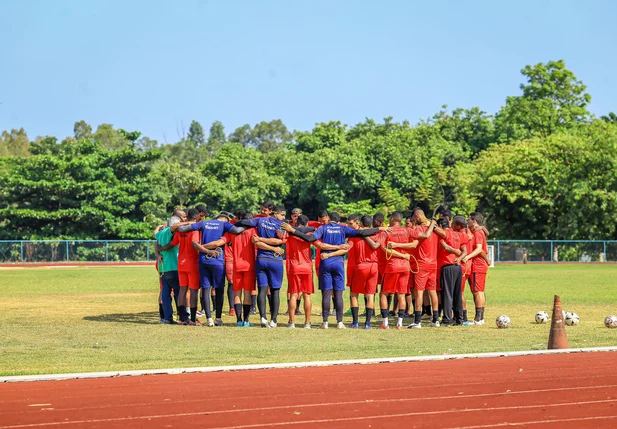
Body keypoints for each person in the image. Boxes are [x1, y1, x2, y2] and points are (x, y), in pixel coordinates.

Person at [283, 212, 387, 329]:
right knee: (338, 294)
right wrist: (379, 228)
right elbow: (361, 232)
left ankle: (325, 322)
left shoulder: (322, 228)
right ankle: (340, 322)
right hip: (339, 263)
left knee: (326, 293)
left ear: (329, 219)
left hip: (325, 262)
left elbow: (310, 238)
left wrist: (293, 230)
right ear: (338, 221)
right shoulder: (343, 229)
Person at [175, 213, 245, 326]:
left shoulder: (203, 223)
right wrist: (248, 224)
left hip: (203, 261)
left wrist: (181, 225)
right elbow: (237, 230)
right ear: (225, 220)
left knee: (205, 289)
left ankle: (209, 319)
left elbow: (183, 229)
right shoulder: (224, 224)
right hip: (218, 261)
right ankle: (218, 318)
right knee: (219, 290)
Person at [234, 206, 288, 328]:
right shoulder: (282, 225)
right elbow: (278, 242)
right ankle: (273, 320)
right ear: (275, 214)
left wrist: (236, 222)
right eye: (282, 214)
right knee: (275, 291)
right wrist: (273, 246)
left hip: (261, 260)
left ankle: (263, 318)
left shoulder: (259, 221)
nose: (283, 217)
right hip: (275, 259)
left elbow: (254, 237)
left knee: (262, 290)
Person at [157, 208, 207, 325]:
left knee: (180, 291)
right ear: (197, 216)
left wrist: (160, 250)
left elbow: (171, 243)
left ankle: (179, 318)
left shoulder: (178, 231)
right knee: (193, 290)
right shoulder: (194, 229)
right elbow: (195, 244)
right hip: (190, 263)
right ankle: (193, 319)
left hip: (178, 264)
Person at [280, 214, 316, 328]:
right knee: (307, 295)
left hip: (294, 266)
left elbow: (281, 237)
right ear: (307, 223)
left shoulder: (290, 232)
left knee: (294, 295)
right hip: (307, 267)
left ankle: (291, 322)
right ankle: (307, 323)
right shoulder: (309, 233)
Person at [347, 215, 382, 329]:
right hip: (374, 266)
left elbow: (348, 247)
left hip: (361, 266)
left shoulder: (355, 235)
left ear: (360, 223)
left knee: (354, 294)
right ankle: (367, 323)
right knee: (370, 295)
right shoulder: (377, 233)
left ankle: (355, 322)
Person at [381, 212, 414, 329]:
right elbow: (415, 244)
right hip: (405, 266)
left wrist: (398, 252)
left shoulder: (387, 231)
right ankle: (399, 323)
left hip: (392, 265)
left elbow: (383, 248)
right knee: (401, 294)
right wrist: (405, 256)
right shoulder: (408, 230)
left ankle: (385, 323)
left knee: (384, 293)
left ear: (393, 218)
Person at [436, 216, 468, 326]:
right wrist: (459, 258)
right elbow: (465, 251)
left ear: (457, 225)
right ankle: (459, 319)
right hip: (457, 267)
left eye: (453, 222)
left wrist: (431, 224)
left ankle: (447, 319)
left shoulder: (446, 233)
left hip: (447, 266)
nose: (451, 223)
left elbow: (445, 247)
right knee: (457, 294)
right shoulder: (461, 235)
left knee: (447, 294)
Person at [154, 214, 184, 324]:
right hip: (172, 266)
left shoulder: (160, 233)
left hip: (163, 267)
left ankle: (167, 318)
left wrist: (158, 254)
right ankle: (182, 316)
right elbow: (174, 227)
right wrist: (191, 223)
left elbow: (156, 243)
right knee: (178, 292)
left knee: (165, 293)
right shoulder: (168, 232)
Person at [462, 212, 490, 325]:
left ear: (474, 221)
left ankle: (478, 319)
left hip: (477, 265)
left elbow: (479, 249)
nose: (467, 221)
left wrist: (467, 256)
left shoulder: (478, 232)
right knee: (479, 291)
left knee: (477, 291)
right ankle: (480, 318)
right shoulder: (478, 231)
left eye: (469, 219)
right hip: (480, 264)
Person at [286, 207, 304, 317]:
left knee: (301, 286)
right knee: (290, 285)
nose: (295, 217)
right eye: (293, 215)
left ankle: (297, 308)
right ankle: (290, 308)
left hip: (302, 259)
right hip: (290, 258)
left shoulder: (305, 226)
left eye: (297, 215)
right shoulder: (287, 225)